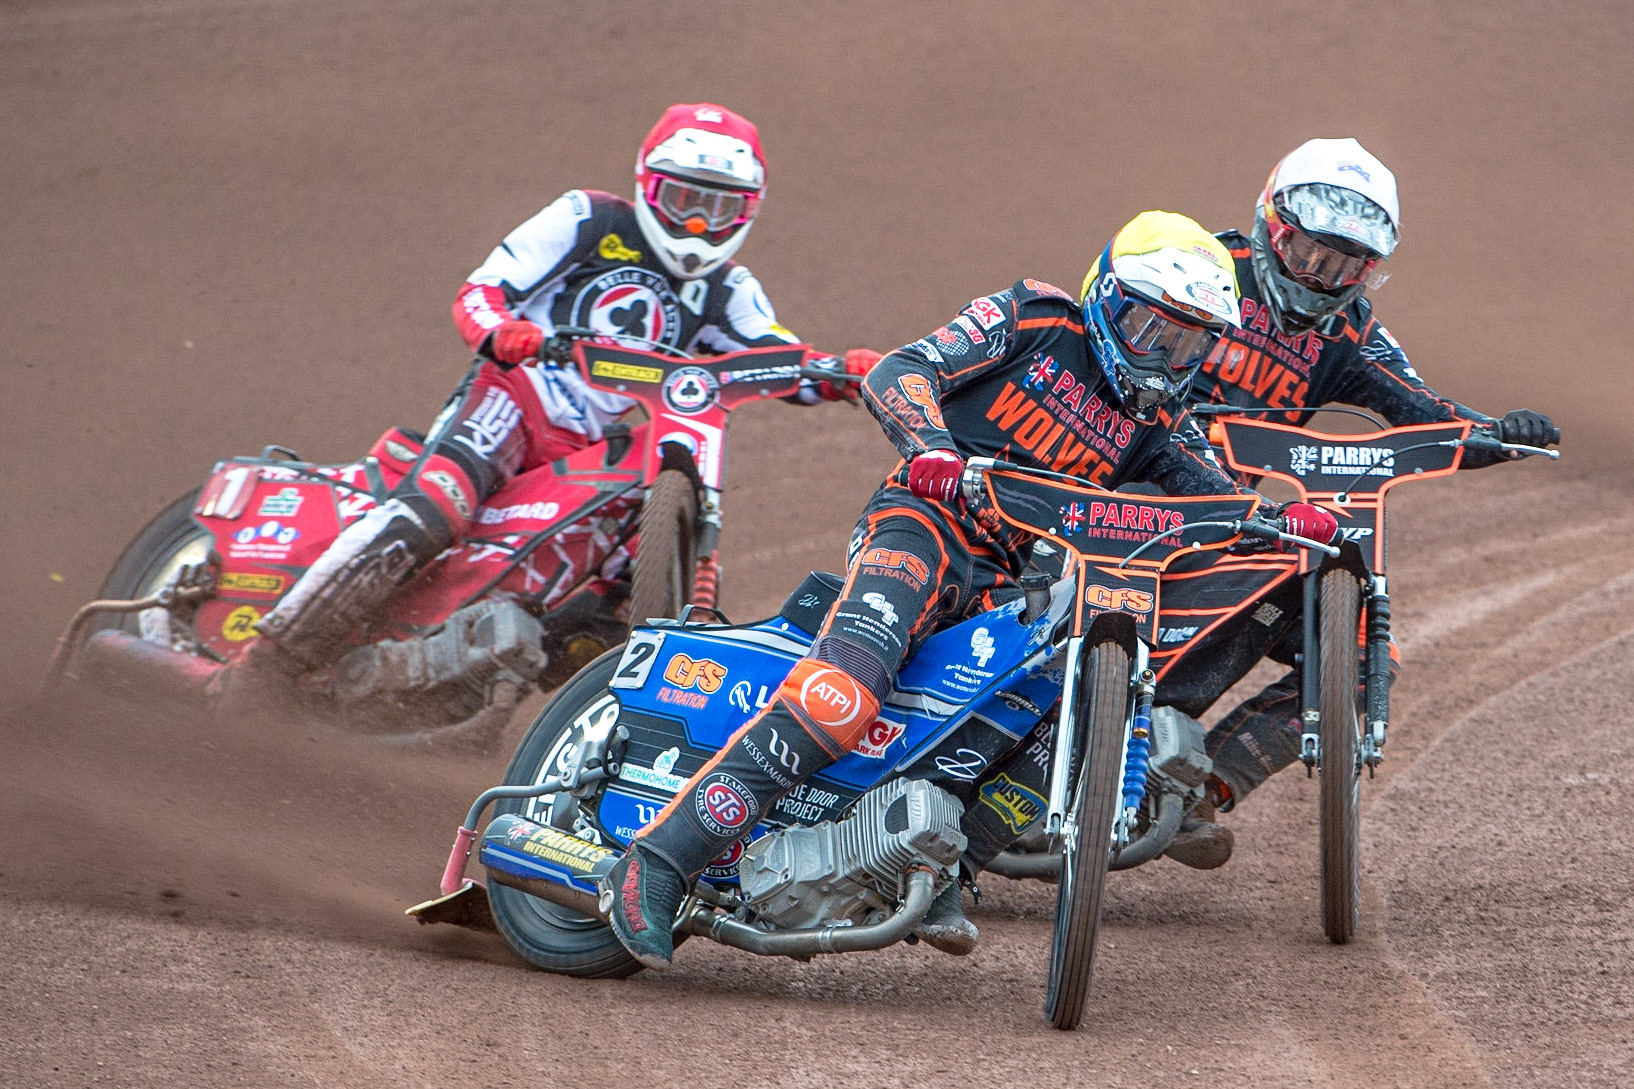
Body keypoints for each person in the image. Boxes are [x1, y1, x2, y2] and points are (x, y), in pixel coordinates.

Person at [600, 210, 1341, 970]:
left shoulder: (1161, 422)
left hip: (1012, 580)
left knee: (1059, 714)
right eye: (1153, 329)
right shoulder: (1034, 317)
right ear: (1107, 297)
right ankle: (659, 861)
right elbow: (900, 371)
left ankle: (948, 866)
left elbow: (1213, 500)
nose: (1165, 357)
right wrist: (932, 450)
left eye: (1188, 342)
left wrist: (1284, 522)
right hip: (921, 524)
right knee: (847, 693)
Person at [245, 103, 878, 675]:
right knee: (435, 508)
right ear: (648, 187)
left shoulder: (728, 290)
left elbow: (779, 357)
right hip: (514, 397)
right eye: (683, 198)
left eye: (716, 208)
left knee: (610, 585)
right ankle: (265, 662)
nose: (695, 222)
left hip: (586, 446)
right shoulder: (588, 218)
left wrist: (849, 373)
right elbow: (483, 291)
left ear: (746, 212)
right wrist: (503, 334)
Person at [1156, 138, 1558, 868]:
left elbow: (1425, 413)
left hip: (1226, 527)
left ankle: (1190, 789)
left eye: (1343, 265)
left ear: (1370, 270)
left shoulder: (1350, 333)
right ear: (1271, 227)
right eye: (1309, 253)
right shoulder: (1200, 269)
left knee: (1369, 656)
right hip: (1111, 497)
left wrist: (1499, 434)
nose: (1319, 276)